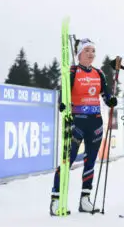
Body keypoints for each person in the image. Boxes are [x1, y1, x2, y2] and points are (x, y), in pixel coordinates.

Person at [50, 39, 117, 216]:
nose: (91, 53)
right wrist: (62, 104)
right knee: (68, 160)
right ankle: (56, 199)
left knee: (90, 161)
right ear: (79, 53)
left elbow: (106, 95)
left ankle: (85, 199)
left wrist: (111, 100)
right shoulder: (72, 71)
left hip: (95, 123)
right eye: (87, 50)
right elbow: (63, 93)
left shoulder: (99, 73)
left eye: (93, 50)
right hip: (77, 121)